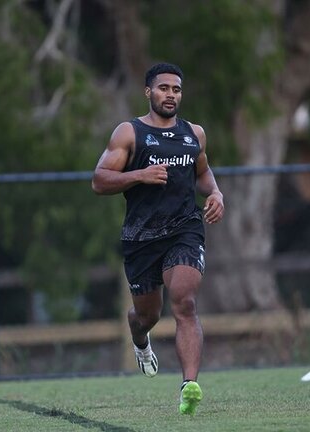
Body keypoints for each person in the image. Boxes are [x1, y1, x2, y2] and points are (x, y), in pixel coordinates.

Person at [91, 62, 224, 415]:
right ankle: (139, 339)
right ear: (149, 92)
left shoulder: (193, 133)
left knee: (185, 302)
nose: (170, 95)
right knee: (147, 315)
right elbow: (99, 180)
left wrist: (216, 194)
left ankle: (189, 385)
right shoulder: (129, 133)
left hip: (184, 228)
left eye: (176, 89)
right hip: (141, 237)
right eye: (164, 88)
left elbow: (203, 171)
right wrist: (139, 175)